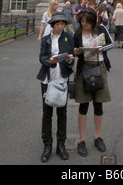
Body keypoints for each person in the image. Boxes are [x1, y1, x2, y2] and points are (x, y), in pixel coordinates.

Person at [73, 8, 113, 157]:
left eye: (87, 22)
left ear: (93, 22)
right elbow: (73, 49)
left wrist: (100, 49)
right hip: (84, 69)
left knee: (98, 104)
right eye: (82, 21)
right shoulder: (77, 33)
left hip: (99, 68)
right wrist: (76, 52)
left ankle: (98, 137)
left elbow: (111, 44)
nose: (85, 25)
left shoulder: (101, 29)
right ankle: (81, 140)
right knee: (83, 105)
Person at [37, 12, 74, 163]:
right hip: (48, 79)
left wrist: (70, 60)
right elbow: (42, 57)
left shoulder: (68, 38)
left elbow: (70, 56)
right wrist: (50, 61)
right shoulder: (46, 39)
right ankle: (47, 145)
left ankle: (61, 145)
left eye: (63, 24)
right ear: (53, 25)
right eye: (58, 24)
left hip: (62, 79)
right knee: (47, 113)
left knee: (62, 113)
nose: (60, 26)